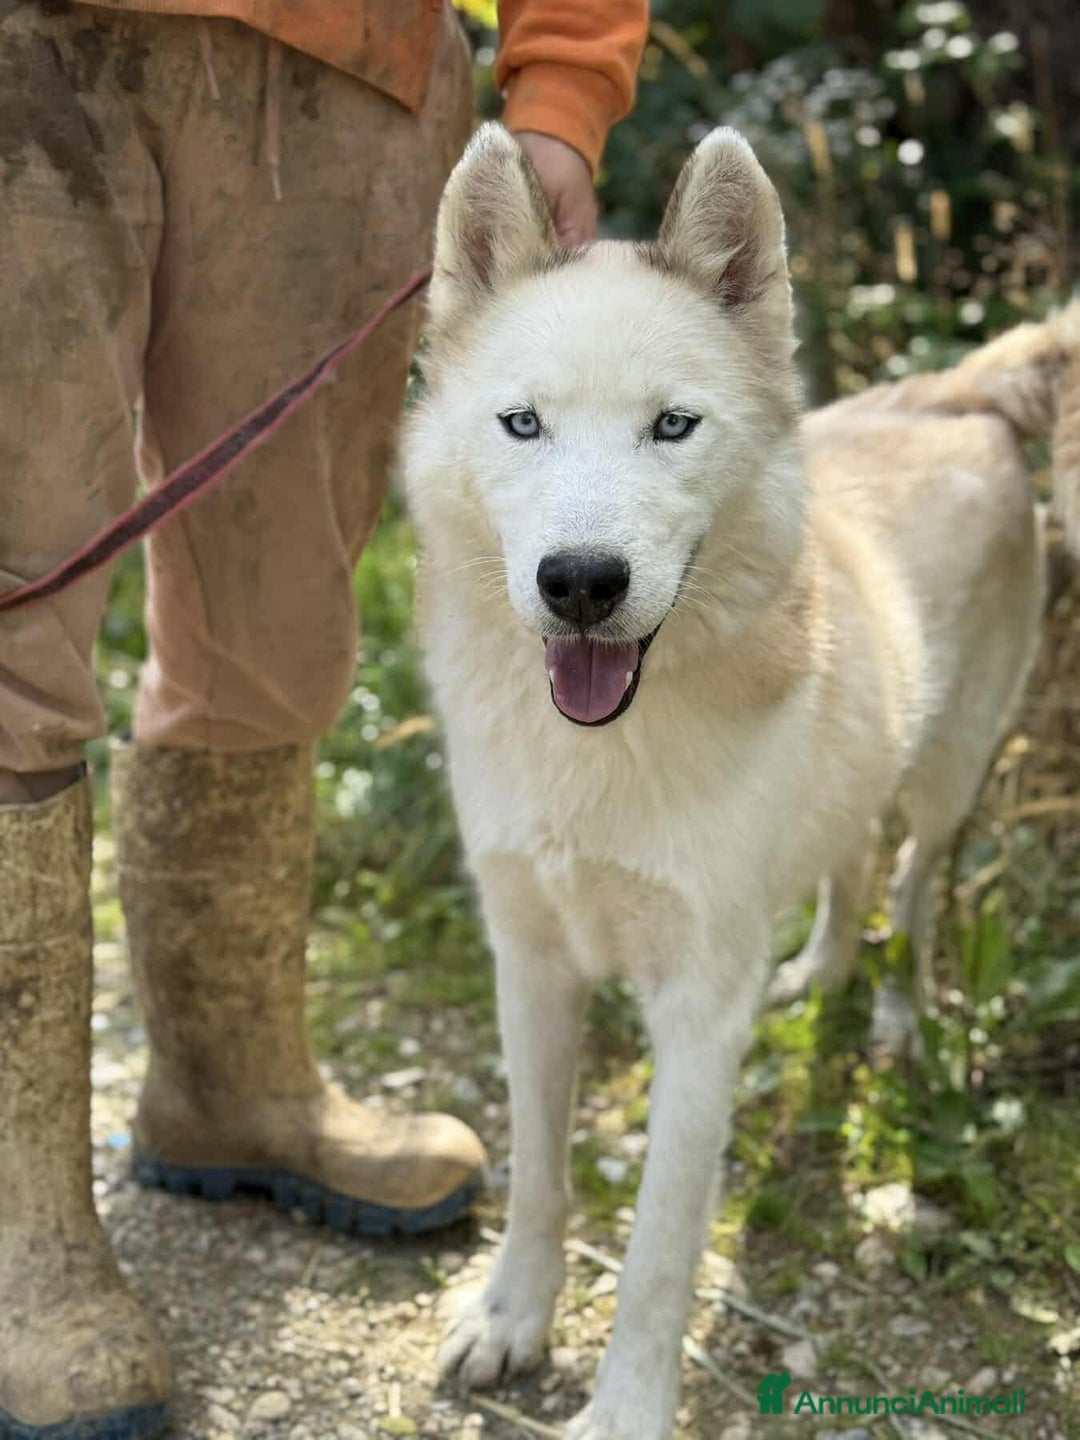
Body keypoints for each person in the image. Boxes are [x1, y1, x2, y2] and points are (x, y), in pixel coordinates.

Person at [0, 1, 647, 1435]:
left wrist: (563, 85)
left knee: (279, 627)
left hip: (353, 62)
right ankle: (14, 1237)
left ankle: (231, 1083)